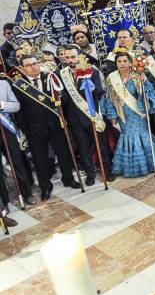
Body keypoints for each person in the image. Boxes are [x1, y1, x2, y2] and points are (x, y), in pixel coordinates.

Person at [13, 54, 78, 199]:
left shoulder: (51, 77)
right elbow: (19, 113)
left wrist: (60, 97)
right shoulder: (19, 86)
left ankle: (68, 179)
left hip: (55, 125)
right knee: (39, 159)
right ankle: (45, 187)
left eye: (35, 63)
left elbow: (65, 99)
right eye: (29, 65)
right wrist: (27, 130)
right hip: (35, 129)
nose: (33, 67)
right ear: (22, 69)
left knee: (63, 154)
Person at [101, 51, 155, 177]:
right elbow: (108, 98)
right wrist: (112, 115)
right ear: (116, 63)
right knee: (127, 135)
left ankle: (151, 163)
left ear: (130, 62)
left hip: (138, 113)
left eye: (124, 61)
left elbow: (149, 94)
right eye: (119, 61)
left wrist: (144, 82)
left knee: (142, 134)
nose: (122, 64)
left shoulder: (137, 75)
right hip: (122, 114)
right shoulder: (111, 78)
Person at [58, 45, 113, 185]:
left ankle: (106, 171)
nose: (70, 60)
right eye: (67, 57)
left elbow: (100, 92)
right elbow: (63, 97)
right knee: (82, 148)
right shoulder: (61, 74)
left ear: (80, 56)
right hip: (74, 118)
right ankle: (90, 174)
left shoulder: (92, 71)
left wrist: (90, 87)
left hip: (92, 115)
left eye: (73, 57)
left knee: (101, 145)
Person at [0, 78, 36, 216]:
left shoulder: (3, 84)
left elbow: (16, 106)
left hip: (6, 129)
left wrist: (2, 105)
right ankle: (3, 201)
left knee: (17, 162)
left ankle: (26, 193)